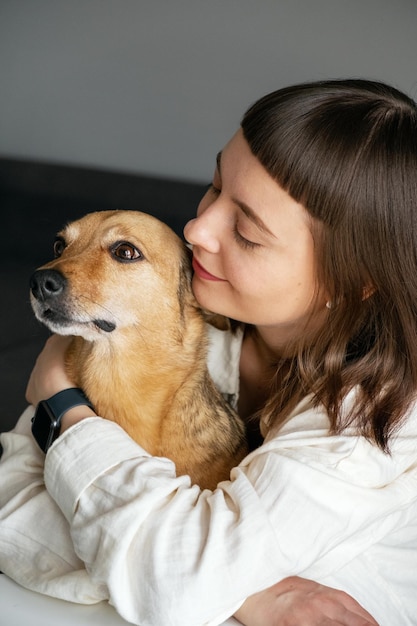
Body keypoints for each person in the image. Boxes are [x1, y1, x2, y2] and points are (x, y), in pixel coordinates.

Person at [1, 77, 417, 625]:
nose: (196, 228)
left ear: (354, 278)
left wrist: (63, 407)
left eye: (246, 231)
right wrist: (249, 590)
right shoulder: (173, 329)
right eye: (215, 186)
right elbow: (12, 511)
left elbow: (175, 584)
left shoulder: (379, 424)